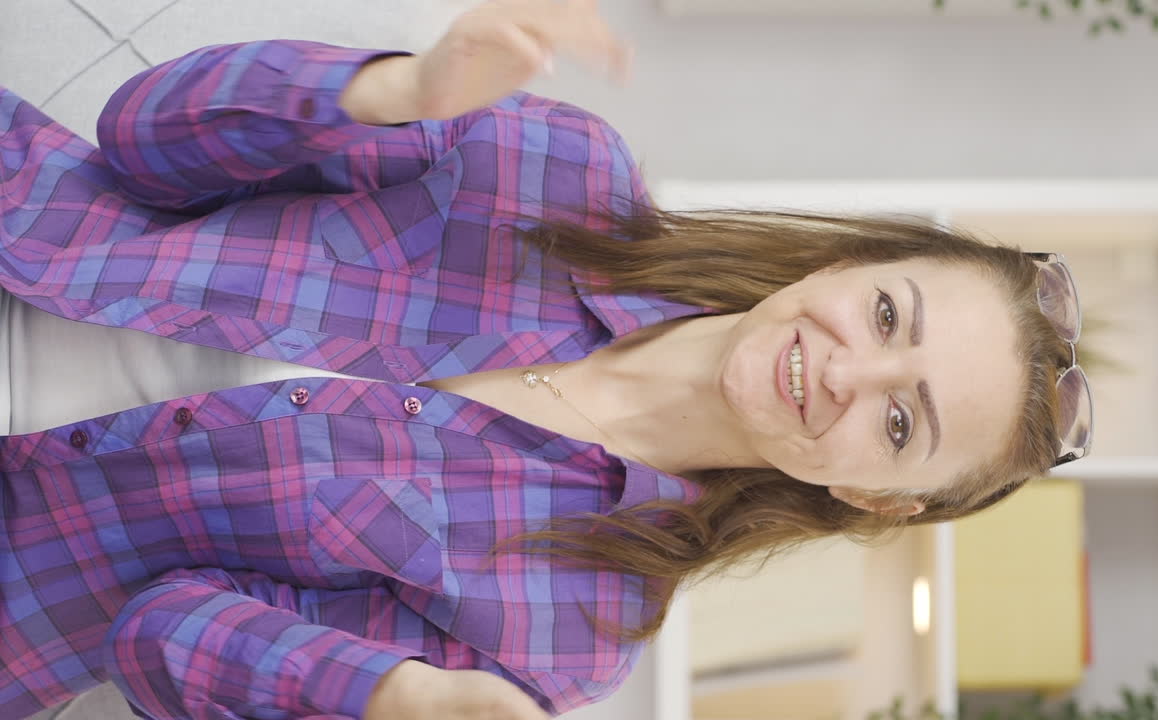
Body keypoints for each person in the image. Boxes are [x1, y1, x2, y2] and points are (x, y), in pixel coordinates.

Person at [0, 1, 1092, 718]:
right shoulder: (556, 173)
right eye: (887, 313)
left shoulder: (570, 629)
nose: (850, 372)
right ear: (853, 261)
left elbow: (159, 639)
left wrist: (393, 700)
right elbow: (143, 137)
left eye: (899, 424)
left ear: (870, 495)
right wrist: (391, 95)